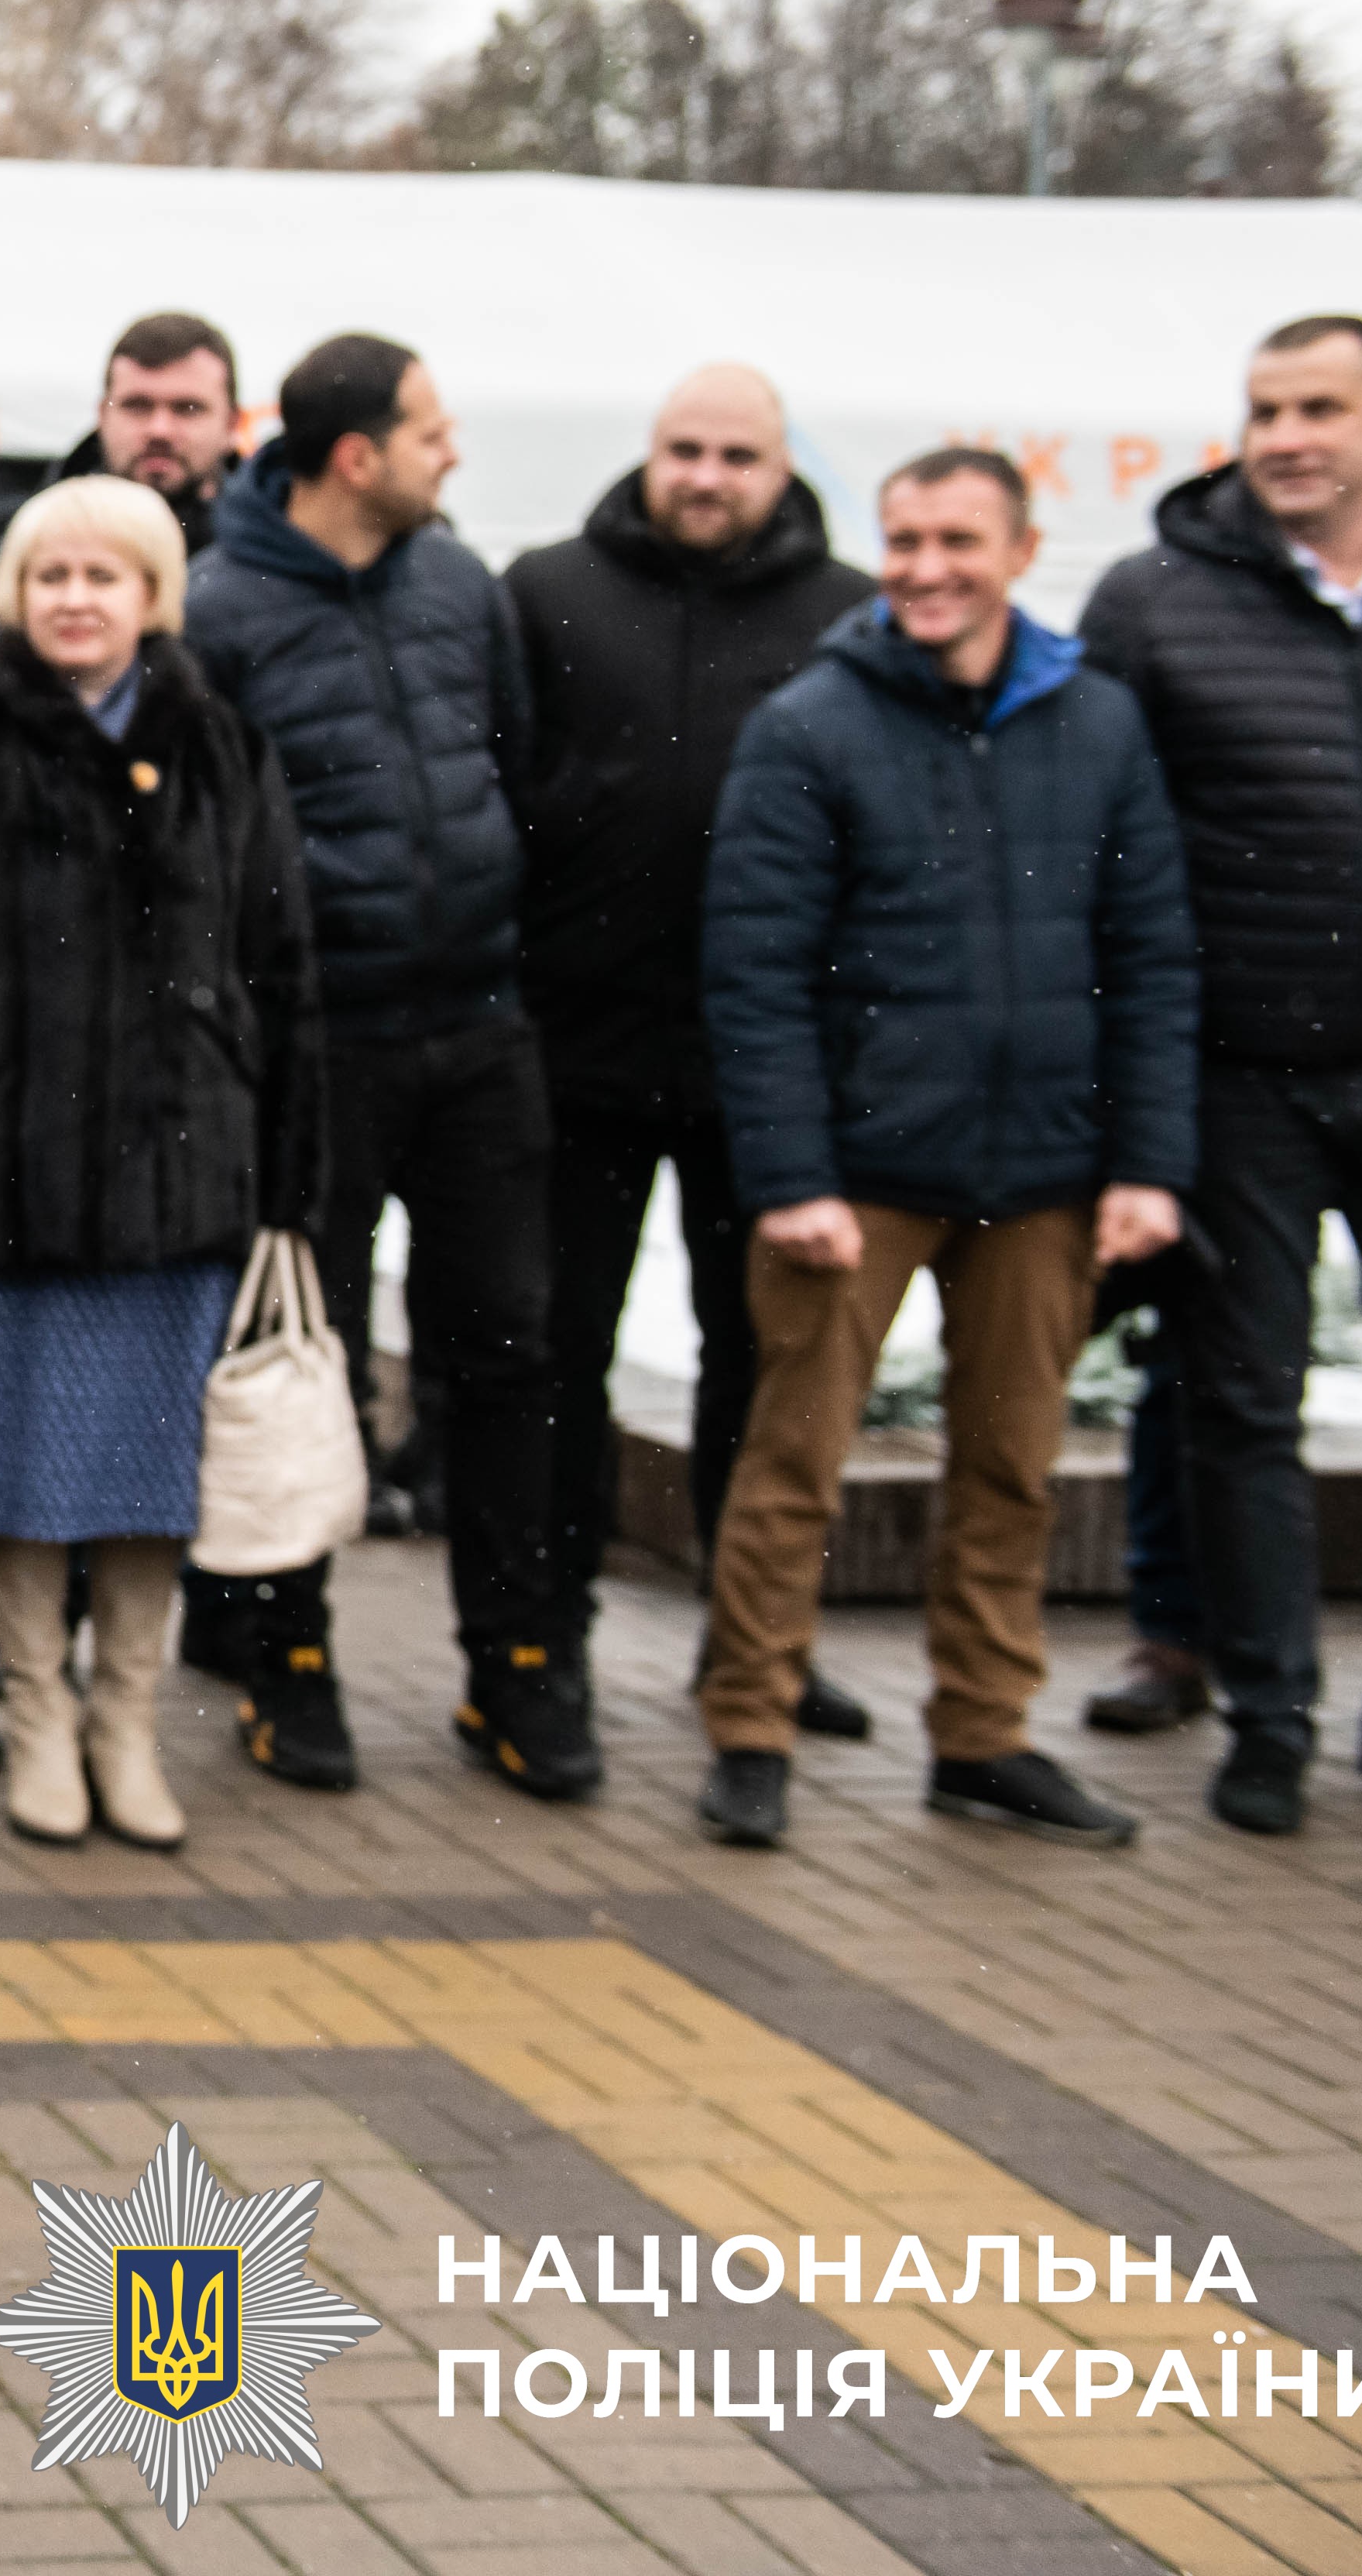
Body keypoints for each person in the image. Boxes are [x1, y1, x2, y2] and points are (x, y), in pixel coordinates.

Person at [693, 447, 1195, 1853]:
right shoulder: (809, 724)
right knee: (792, 1466)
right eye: (904, 540)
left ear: (1021, 551)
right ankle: (749, 1726)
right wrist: (791, 1177)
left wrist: (1147, 1165)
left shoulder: (1098, 722)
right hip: (854, 1178)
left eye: (957, 541)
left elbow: (1151, 957)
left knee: (1012, 1469)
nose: (925, 569)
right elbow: (754, 972)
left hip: (1044, 1170)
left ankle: (982, 1736)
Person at [1078, 314, 1362, 1840]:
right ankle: (1267, 1715)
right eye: (1264, 409)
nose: (1285, 436)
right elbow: (1110, 854)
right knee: (1238, 1402)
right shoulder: (1152, 600)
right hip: (1238, 1078)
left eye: (1320, 407)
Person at [0, 476, 320, 1850]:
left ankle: (125, 1719)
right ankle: (37, 1711)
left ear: (153, 595)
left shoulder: (222, 746)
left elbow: (281, 968)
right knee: (18, 1463)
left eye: (105, 575)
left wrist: (289, 1180)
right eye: (51, 574)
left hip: (186, 1176)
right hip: (8, 1177)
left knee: (153, 1471)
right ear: (15, 593)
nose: (76, 598)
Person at [179, 335, 568, 1798]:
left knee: (508, 1347)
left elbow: (511, 762)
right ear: (356, 456)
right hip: (317, 1046)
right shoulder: (216, 609)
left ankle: (516, 1664)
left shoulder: (461, 584)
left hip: (478, 1031)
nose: (448, 451)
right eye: (429, 429)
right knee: (307, 1351)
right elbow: (208, 848)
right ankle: (289, 1659)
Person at [505, 365, 877, 1745]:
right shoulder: (548, 592)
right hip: (577, 1052)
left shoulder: (845, 615)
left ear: (782, 468)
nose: (706, 476)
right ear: (649, 453)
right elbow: (503, 792)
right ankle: (550, 1632)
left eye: (735, 455)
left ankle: (754, 1638)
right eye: (684, 449)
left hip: (760, 1070)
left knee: (758, 1362)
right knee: (560, 1358)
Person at [0, 309, 242, 637]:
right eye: (137, 406)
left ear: (232, 424)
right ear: (102, 415)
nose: (160, 430)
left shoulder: (269, 558)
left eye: (187, 408)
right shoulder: (21, 550)